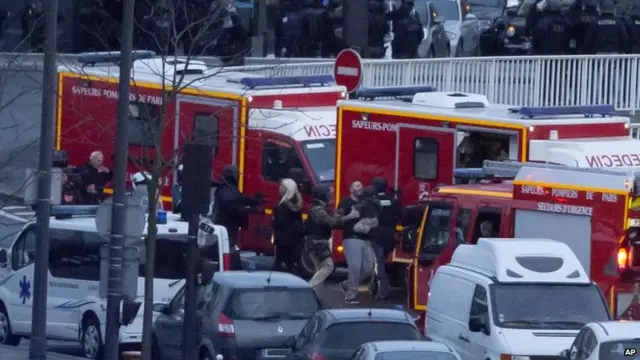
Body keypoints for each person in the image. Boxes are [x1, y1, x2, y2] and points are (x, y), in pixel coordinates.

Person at [306, 184, 359, 293]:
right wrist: (349, 216)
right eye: (328, 193)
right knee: (328, 266)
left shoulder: (319, 208)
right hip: (317, 243)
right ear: (323, 195)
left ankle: (316, 296)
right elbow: (330, 223)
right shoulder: (318, 210)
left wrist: (339, 216)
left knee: (320, 270)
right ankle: (308, 288)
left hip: (316, 242)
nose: (330, 195)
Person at [210, 165, 262, 270]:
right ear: (233, 178)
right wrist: (253, 209)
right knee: (229, 251)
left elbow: (239, 199)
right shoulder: (227, 191)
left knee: (229, 250)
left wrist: (253, 201)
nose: (238, 179)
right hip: (227, 227)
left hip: (227, 227)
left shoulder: (226, 189)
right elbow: (235, 208)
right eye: (237, 177)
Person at [337, 181, 375, 304]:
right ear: (350, 189)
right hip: (351, 238)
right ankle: (350, 296)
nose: (360, 188)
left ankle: (346, 284)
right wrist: (350, 216)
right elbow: (337, 220)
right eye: (357, 186)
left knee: (369, 269)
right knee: (355, 268)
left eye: (361, 186)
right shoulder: (345, 202)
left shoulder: (365, 203)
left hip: (366, 239)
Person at [369, 177, 400, 300]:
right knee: (379, 262)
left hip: (378, 236)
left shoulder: (373, 201)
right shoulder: (392, 200)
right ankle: (373, 287)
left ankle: (383, 291)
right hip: (390, 236)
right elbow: (399, 215)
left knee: (379, 263)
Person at [272, 179, 304, 273]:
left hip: (283, 239)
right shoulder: (297, 203)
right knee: (291, 264)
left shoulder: (282, 205)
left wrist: (272, 222)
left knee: (281, 266)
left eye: (282, 186)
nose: (279, 187)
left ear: (287, 189)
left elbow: (280, 222)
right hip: (294, 239)